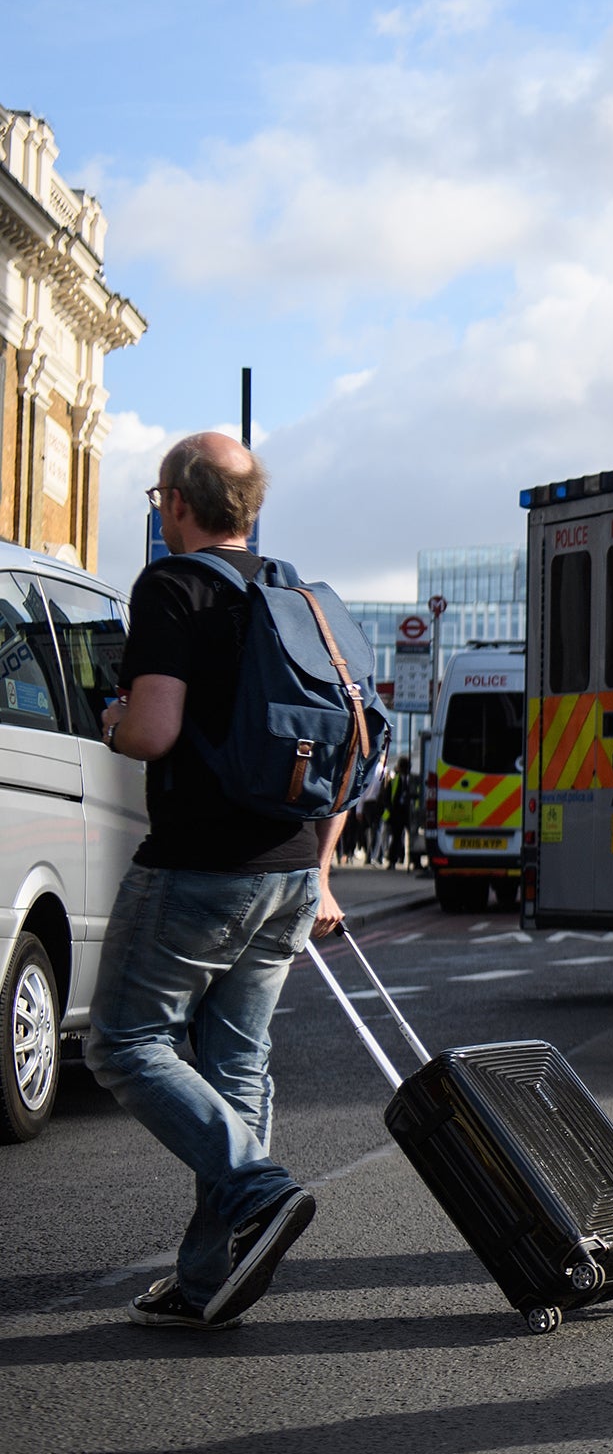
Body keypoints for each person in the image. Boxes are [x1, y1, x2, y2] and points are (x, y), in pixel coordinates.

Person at [85, 432, 340, 1330]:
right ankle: (207, 1278)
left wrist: (116, 720)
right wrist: (324, 866)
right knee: (237, 1064)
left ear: (179, 505)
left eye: (158, 497)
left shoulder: (173, 586)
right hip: (291, 870)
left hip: (201, 866)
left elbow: (153, 733)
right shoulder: (299, 594)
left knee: (122, 1044)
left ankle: (257, 1191)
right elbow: (349, 740)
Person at [383, 755, 414, 869]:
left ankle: (415, 860)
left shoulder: (412, 780)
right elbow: (387, 797)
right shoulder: (395, 780)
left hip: (409, 812)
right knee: (396, 837)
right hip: (397, 813)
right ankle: (392, 861)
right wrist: (390, 809)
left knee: (413, 837)